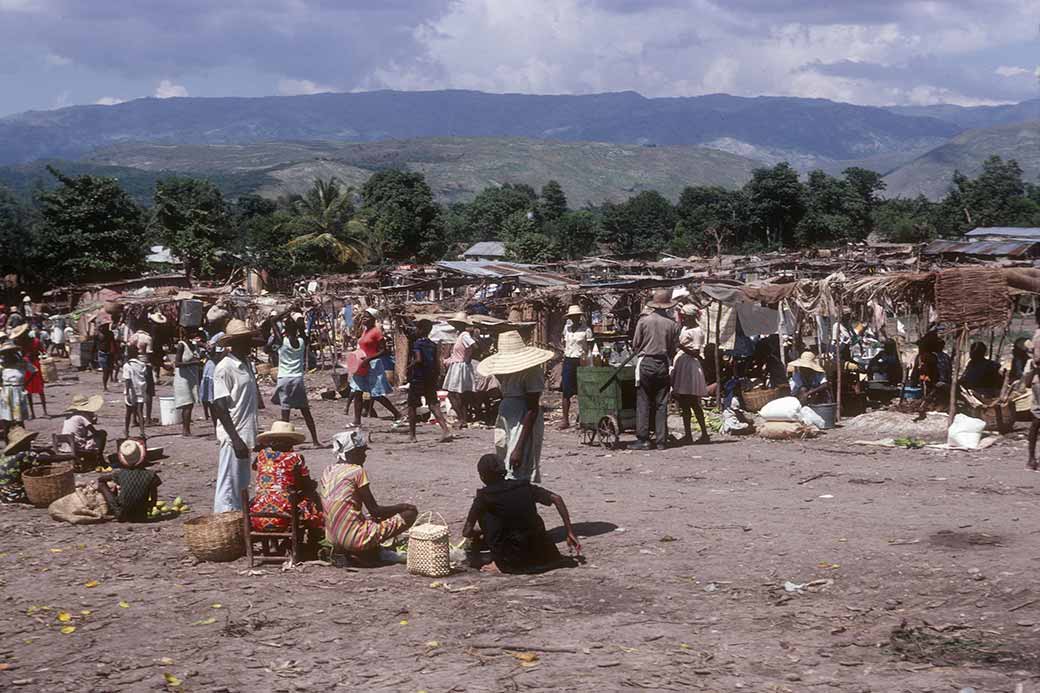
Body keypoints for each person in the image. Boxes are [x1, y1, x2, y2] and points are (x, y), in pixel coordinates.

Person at [462, 454, 581, 574]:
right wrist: (570, 532)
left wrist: (480, 533)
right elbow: (557, 498)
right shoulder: (522, 486)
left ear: (482, 476)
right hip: (545, 554)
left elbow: (466, 532)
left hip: (515, 561)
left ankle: (501, 563)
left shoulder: (484, 496)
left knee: (486, 516)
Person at [321, 429, 418, 559]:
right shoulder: (357, 471)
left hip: (332, 538)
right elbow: (375, 511)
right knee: (409, 514)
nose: (365, 456)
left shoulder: (328, 470)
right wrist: (403, 507)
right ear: (352, 452)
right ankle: (362, 548)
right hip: (353, 539)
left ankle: (355, 547)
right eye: (362, 452)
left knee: (365, 517)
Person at [478, 331, 553, 483]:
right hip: (507, 416)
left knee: (519, 463)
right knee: (504, 456)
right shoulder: (505, 371)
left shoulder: (532, 371)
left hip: (523, 419)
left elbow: (532, 409)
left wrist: (519, 447)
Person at [210, 319, 263, 513]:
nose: (250, 345)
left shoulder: (246, 363)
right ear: (237, 343)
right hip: (234, 435)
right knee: (228, 485)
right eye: (246, 341)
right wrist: (235, 438)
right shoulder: (225, 367)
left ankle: (239, 522)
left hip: (246, 432)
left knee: (241, 483)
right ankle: (224, 520)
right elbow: (220, 407)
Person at [250, 421, 324, 538]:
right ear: (290, 441)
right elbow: (306, 483)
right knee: (312, 498)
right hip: (284, 515)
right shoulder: (295, 457)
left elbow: (255, 467)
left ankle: (272, 543)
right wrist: (311, 485)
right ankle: (314, 538)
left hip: (258, 515)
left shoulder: (261, 455)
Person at [630, 289, 680, 450]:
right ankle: (661, 440)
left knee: (644, 401)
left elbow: (636, 344)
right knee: (661, 403)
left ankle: (643, 439)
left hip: (647, 362)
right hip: (663, 364)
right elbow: (674, 348)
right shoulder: (673, 324)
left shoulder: (644, 321)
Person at [270, 312, 322, 447]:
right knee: (305, 411)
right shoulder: (302, 341)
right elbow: (302, 331)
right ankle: (315, 440)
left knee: (285, 413)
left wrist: (287, 311)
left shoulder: (282, 341)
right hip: (297, 379)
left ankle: (285, 443)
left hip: (284, 379)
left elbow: (273, 321)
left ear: (285, 330)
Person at [348, 308, 401, 428]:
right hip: (361, 365)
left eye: (367, 317)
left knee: (376, 394)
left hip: (372, 365)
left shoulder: (377, 332)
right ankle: (357, 421)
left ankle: (397, 413)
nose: (363, 319)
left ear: (373, 319)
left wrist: (369, 359)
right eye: (363, 316)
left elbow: (383, 350)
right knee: (357, 391)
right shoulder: (364, 331)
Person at [407, 319, 452, 443]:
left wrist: (409, 367)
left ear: (420, 329)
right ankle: (445, 430)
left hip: (418, 377)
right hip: (430, 377)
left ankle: (412, 435)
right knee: (433, 404)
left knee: (412, 406)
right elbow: (437, 363)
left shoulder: (417, 344)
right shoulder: (432, 345)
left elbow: (418, 359)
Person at [671, 304, 709, 444]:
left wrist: (680, 346)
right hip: (682, 366)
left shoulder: (697, 331)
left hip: (690, 367)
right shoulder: (685, 328)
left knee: (693, 402)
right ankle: (688, 435)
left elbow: (696, 353)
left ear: (691, 317)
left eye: (685, 317)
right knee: (684, 402)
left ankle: (704, 433)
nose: (683, 319)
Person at [97, 439, 161, 522]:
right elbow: (154, 496)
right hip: (141, 515)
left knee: (102, 484)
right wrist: (150, 507)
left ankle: (114, 508)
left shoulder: (120, 473)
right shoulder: (151, 475)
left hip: (122, 514)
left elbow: (101, 479)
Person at [559, 304, 592, 431]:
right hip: (568, 360)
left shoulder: (586, 330)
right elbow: (564, 342)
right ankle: (565, 420)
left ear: (580, 317)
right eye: (572, 317)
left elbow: (590, 347)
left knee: (582, 391)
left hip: (581, 360)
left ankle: (583, 418)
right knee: (566, 391)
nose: (574, 318)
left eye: (576, 316)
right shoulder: (566, 329)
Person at [443, 312, 477, 430]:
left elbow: (473, 346)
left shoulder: (464, 335)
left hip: (460, 366)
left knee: (453, 394)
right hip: (457, 365)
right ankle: (463, 419)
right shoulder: (460, 335)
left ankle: (462, 418)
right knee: (458, 395)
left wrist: (467, 357)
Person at [11, 323, 47, 418]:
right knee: (28, 390)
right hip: (27, 366)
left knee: (39, 389)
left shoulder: (35, 341)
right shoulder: (21, 343)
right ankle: (34, 413)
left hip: (34, 364)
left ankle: (43, 412)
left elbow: (43, 352)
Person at [59, 393, 107, 463]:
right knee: (102, 433)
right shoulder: (82, 417)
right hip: (77, 446)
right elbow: (94, 431)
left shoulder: (70, 416)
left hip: (66, 445)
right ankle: (99, 457)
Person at [0, 342, 32, 441]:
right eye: (6, 353)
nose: (8, 355)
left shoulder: (22, 363)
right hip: (6, 393)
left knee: (19, 420)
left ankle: (22, 441)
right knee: (6, 420)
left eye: (10, 352)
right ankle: (8, 442)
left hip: (18, 392)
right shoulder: (2, 365)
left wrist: (25, 384)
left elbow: (34, 371)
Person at [0, 427, 41, 503]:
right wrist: (69, 456)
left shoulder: (7, 455)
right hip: (13, 493)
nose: (30, 444)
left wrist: (44, 449)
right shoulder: (24, 454)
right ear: (23, 443)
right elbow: (47, 458)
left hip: (2, 491)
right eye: (28, 442)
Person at [127, 318, 156, 424]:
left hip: (134, 365)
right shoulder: (147, 338)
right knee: (148, 392)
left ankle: (134, 418)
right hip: (145, 365)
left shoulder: (132, 337)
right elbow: (149, 353)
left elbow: (128, 352)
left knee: (135, 391)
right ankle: (148, 418)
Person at [122, 345, 148, 441]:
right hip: (141, 389)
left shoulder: (127, 366)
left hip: (131, 391)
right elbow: (145, 375)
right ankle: (142, 432)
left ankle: (126, 431)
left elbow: (128, 380)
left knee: (128, 412)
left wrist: (127, 393)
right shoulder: (142, 364)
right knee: (140, 412)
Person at [199, 338, 224, 426]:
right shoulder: (218, 337)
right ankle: (216, 425)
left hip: (215, 370)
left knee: (214, 402)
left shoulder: (219, 336)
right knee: (213, 402)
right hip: (212, 370)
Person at [95, 322, 118, 391]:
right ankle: (105, 386)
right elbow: (95, 345)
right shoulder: (97, 334)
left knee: (109, 369)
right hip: (102, 354)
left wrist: (115, 352)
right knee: (105, 371)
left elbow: (113, 343)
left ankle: (108, 381)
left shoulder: (110, 334)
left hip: (110, 353)